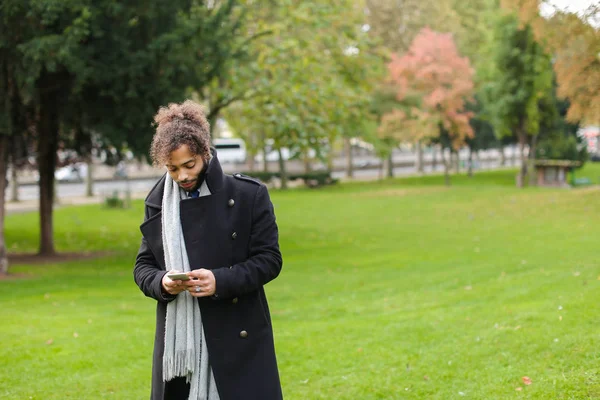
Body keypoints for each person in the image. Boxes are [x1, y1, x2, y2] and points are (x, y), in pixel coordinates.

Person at [134, 100, 283, 400]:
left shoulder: (248, 195)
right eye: (172, 168)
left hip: (237, 332)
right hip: (180, 346)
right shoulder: (157, 202)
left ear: (205, 153)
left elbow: (270, 260)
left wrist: (221, 280)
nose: (182, 176)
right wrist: (162, 283)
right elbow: (143, 267)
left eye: (189, 165)